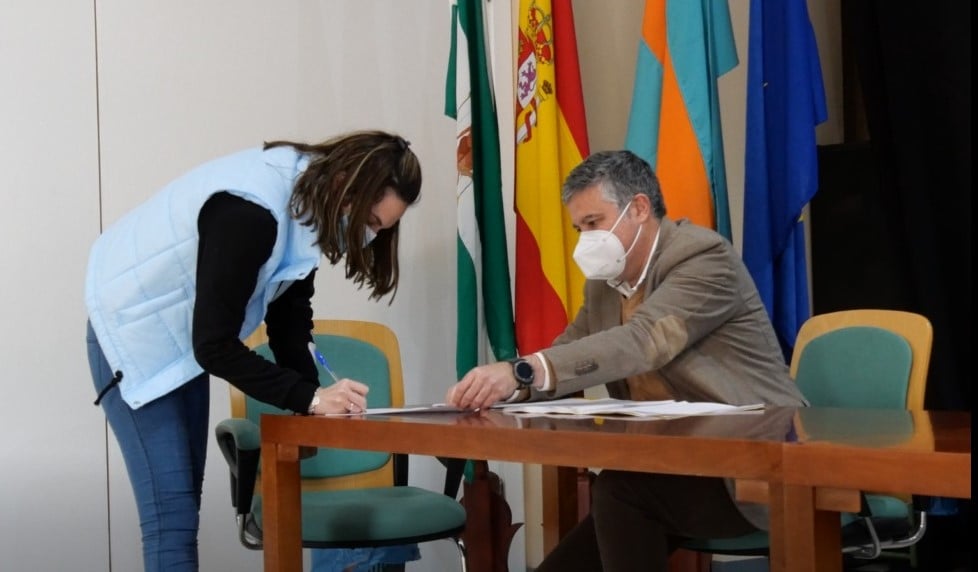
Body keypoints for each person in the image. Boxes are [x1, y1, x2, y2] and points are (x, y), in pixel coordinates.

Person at [445, 150, 808, 571]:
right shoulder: (605, 283)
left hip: (755, 468)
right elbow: (568, 352)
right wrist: (507, 385)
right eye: (578, 228)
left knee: (620, 491)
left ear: (638, 208)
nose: (585, 239)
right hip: (671, 466)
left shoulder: (704, 258)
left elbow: (644, 341)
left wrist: (522, 371)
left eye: (593, 223)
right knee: (617, 499)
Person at [85, 130, 422, 572]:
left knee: (184, 509)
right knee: (172, 520)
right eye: (371, 222)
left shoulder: (307, 202)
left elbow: (289, 321)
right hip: (133, 339)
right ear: (345, 184)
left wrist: (316, 401)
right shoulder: (251, 212)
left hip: (182, 343)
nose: (370, 237)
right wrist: (311, 398)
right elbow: (214, 347)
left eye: (381, 229)